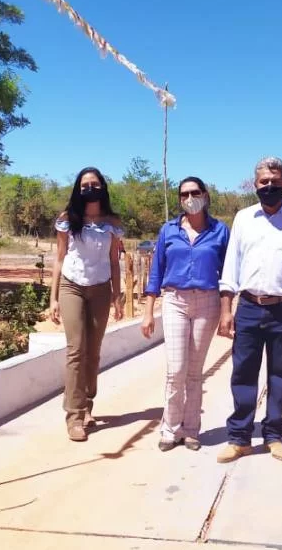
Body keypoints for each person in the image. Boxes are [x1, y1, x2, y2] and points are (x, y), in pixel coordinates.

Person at [216, 156, 282, 463]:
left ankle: (274, 435)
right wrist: (227, 310)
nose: (270, 187)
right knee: (243, 374)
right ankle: (239, 438)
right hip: (248, 306)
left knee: (280, 375)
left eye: (276, 182)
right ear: (255, 184)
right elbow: (231, 267)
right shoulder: (243, 219)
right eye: (264, 182)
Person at [142, 177, 230, 452]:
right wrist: (148, 312)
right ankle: (169, 429)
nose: (189, 198)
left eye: (194, 192)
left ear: (205, 195)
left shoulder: (220, 231)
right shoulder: (168, 231)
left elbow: (228, 275)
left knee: (194, 372)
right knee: (176, 370)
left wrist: (228, 311)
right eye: (184, 194)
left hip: (207, 302)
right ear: (179, 199)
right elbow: (156, 271)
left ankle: (191, 430)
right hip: (175, 301)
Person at [49, 167, 124, 442]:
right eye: (84, 185)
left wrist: (117, 296)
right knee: (76, 350)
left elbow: (115, 262)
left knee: (93, 353)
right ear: (78, 189)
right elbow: (59, 258)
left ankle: (88, 403)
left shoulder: (112, 223)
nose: (89, 188)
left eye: (94, 184)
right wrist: (53, 298)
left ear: (102, 187)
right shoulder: (68, 219)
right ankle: (74, 415)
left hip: (101, 288)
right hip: (72, 286)